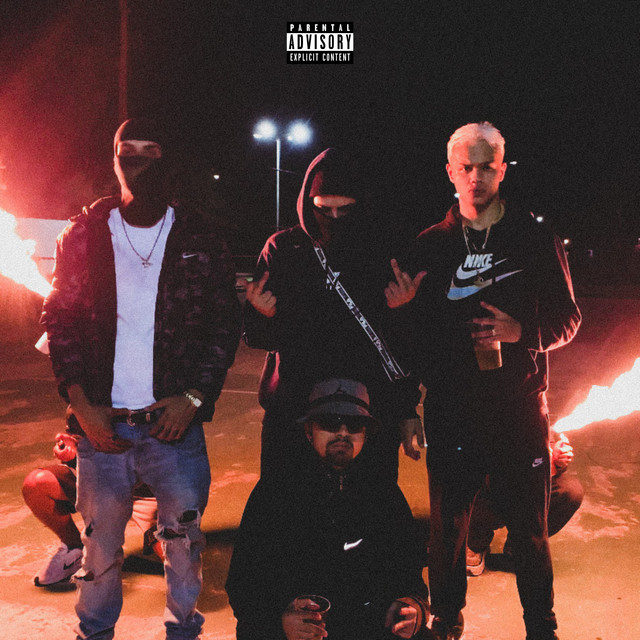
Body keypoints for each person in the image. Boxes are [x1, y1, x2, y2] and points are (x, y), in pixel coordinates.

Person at [40, 117, 241, 640]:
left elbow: (223, 324)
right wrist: (81, 406)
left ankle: (183, 632)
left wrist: (193, 398)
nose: (137, 162)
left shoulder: (199, 237)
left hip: (173, 427)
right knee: (100, 549)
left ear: (168, 159)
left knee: (184, 546)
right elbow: (59, 322)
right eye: (126, 151)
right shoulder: (82, 235)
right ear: (113, 160)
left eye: (150, 151)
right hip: (102, 427)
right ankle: (95, 633)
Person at [391, 122, 582, 640]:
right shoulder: (430, 246)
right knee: (447, 532)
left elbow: (568, 319)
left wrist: (523, 332)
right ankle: (446, 621)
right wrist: (408, 399)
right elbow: (410, 340)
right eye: (465, 167)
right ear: (450, 172)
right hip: (453, 410)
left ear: (502, 170)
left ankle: (541, 627)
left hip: (519, 409)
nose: (475, 176)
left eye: (486, 166)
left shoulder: (533, 237)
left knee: (531, 531)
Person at [242, 147, 421, 482]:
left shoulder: (385, 251)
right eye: (324, 209)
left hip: (369, 410)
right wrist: (262, 314)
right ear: (307, 203)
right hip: (293, 408)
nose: (334, 218)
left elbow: (404, 346)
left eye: (345, 209)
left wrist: (402, 310)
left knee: (370, 500)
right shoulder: (283, 248)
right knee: (286, 499)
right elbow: (259, 337)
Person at [225, 378, 431, 640]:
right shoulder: (276, 491)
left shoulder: (382, 491)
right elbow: (242, 584)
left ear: (365, 434)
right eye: (330, 423)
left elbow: (409, 569)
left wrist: (415, 607)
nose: (343, 433)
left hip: (363, 626)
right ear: (309, 431)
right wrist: (280, 621)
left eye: (354, 425)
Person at [23, 411, 163, 587]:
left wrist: (188, 404)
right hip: (100, 479)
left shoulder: (169, 395)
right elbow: (79, 442)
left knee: (181, 566)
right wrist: (71, 450)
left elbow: (194, 402)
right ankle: (74, 548)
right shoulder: (82, 398)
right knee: (37, 484)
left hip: (152, 491)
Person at [466, 431, 584, 576]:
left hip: (522, 476)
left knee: (569, 492)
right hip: (488, 475)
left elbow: (544, 448)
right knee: (481, 480)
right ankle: (474, 540)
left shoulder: (538, 417)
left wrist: (556, 459)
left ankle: (518, 550)